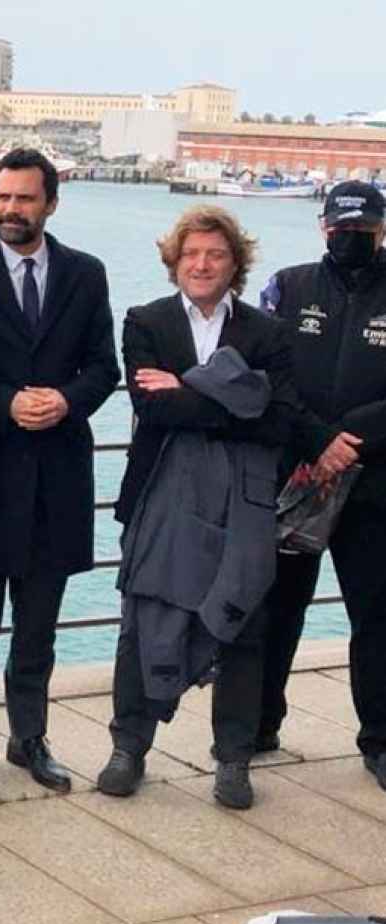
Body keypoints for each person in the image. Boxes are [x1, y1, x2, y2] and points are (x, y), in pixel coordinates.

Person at [99, 205, 296, 810]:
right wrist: (237, 395)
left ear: (235, 263)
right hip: (161, 495)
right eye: (191, 254)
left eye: (215, 254)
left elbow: (280, 420)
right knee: (143, 622)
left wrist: (189, 388)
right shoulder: (146, 322)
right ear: (174, 262)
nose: (202, 264)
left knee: (243, 626)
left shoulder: (268, 332)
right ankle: (129, 746)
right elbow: (156, 410)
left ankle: (233, 760)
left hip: (244, 506)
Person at [0, 148, 121, 795]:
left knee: (38, 630)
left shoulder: (86, 273)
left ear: (50, 202)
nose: (10, 210)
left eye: (24, 198)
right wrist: (5, 400)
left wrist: (68, 400)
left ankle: (29, 738)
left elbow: (106, 366)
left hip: (57, 481)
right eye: (2, 197)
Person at [258, 181, 386, 792]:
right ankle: (259, 726)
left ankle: (380, 740)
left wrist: (352, 438)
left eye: (363, 230)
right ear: (323, 227)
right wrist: (316, 441)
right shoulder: (286, 287)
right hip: (300, 478)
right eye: (341, 229)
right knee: (278, 609)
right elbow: (267, 374)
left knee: (378, 617)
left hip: (375, 483)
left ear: (382, 230)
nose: (350, 239)